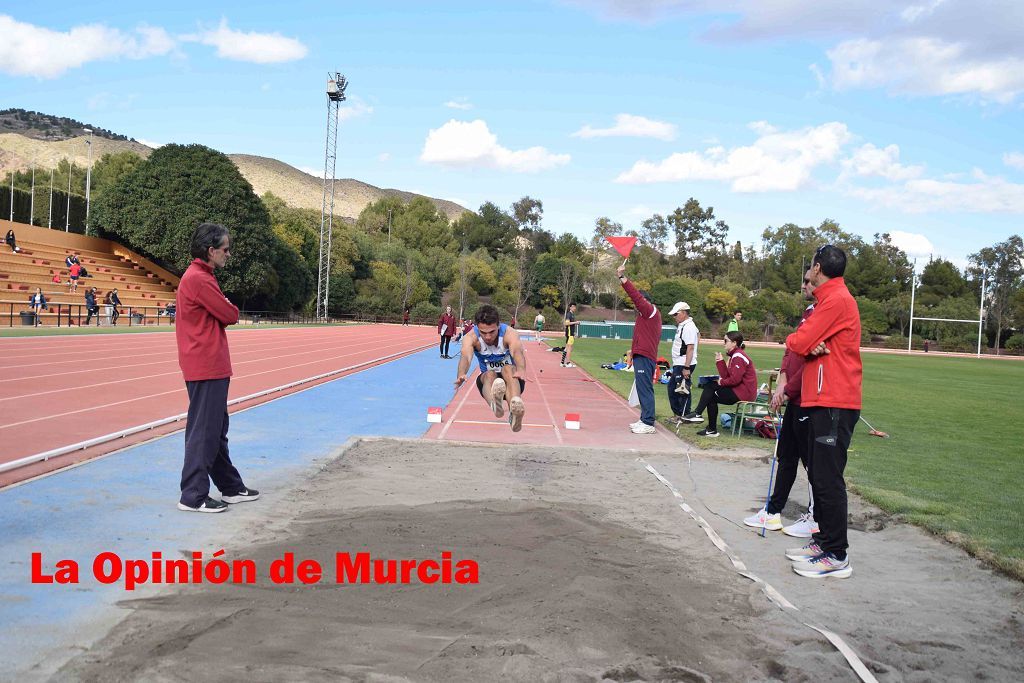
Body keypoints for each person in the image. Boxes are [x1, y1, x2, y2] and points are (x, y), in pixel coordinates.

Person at [784, 245, 861, 579]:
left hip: (835, 401)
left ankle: (837, 554)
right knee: (818, 474)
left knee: (828, 479)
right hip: (822, 398)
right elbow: (804, 343)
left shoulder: (836, 300)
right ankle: (824, 540)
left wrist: (803, 340)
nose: (806, 278)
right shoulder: (829, 300)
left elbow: (798, 342)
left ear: (816, 269)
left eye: (808, 272)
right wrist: (806, 341)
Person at [176, 222, 258, 513]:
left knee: (216, 429)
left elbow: (223, 313)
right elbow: (229, 313)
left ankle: (231, 487)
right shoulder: (199, 279)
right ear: (210, 251)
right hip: (205, 364)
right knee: (205, 431)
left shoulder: (202, 276)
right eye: (225, 249)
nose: (228, 254)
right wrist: (227, 307)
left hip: (209, 363)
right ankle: (193, 495)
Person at [745, 271, 818, 536]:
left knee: (812, 463)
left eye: (809, 281)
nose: (804, 285)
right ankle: (773, 512)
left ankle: (815, 516)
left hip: (808, 398)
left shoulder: (823, 312)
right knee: (786, 457)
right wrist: (781, 382)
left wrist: (788, 389)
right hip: (794, 396)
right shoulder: (808, 312)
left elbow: (812, 361)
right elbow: (791, 351)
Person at [454, 304, 527, 432]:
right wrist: (461, 373)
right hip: (489, 384)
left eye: (492, 332)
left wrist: (521, 369)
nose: (488, 337)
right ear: (477, 327)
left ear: (498, 325)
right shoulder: (470, 337)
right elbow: (466, 356)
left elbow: (517, 352)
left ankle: (514, 412)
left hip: (513, 381)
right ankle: (495, 404)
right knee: (489, 373)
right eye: (483, 333)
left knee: (508, 368)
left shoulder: (509, 333)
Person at [682, 331, 756, 438]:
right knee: (710, 395)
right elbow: (727, 377)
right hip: (739, 390)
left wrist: (720, 382)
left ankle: (698, 414)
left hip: (743, 393)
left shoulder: (738, 356)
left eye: (726, 341)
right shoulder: (734, 355)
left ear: (734, 343)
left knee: (710, 386)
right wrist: (720, 362)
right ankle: (711, 429)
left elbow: (735, 380)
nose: (723, 343)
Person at [617, 264, 662, 434]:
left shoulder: (649, 311)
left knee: (645, 388)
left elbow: (635, 296)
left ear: (645, 301)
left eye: (638, 304)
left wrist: (623, 278)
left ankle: (648, 422)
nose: (635, 307)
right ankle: (644, 419)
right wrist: (632, 355)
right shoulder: (645, 316)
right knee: (642, 387)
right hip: (641, 355)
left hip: (645, 355)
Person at [667, 301, 699, 424]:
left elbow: (690, 348)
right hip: (679, 362)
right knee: (672, 388)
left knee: (682, 389)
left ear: (684, 313)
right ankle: (678, 414)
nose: (674, 317)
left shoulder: (688, 326)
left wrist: (686, 367)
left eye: (676, 314)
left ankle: (684, 416)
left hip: (684, 363)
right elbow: (698, 335)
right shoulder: (684, 325)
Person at [561, 303, 579, 368]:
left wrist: (573, 333)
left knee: (567, 348)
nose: (575, 308)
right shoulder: (569, 314)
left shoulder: (572, 315)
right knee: (569, 348)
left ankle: (562, 362)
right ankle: (568, 363)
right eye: (574, 307)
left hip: (571, 334)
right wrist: (575, 322)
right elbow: (566, 323)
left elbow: (571, 325)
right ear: (570, 307)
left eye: (575, 307)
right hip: (569, 334)